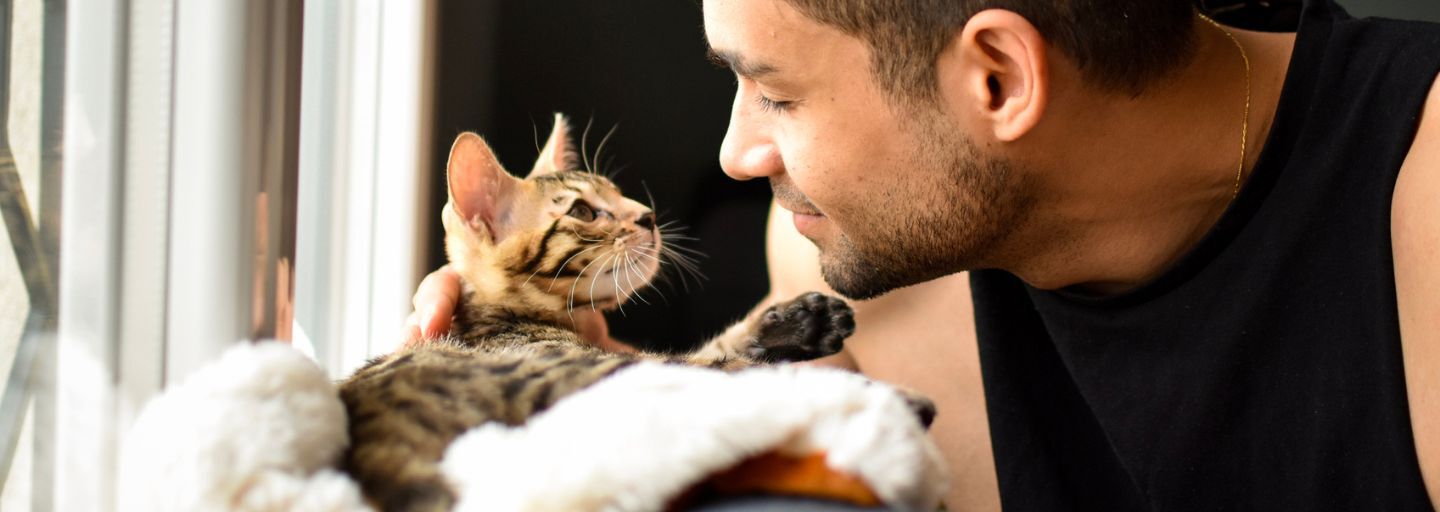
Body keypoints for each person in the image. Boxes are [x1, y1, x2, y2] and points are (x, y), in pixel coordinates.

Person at [409, 0, 1440, 509]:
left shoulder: (1420, 210)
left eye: (776, 92)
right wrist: (601, 421)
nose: (735, 152)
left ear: (995, 77)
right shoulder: (840, 277)